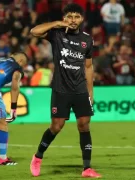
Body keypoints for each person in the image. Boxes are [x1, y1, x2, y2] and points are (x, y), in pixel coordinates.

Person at [29, 3, 101, 178]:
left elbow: (89, 67)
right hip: (61, 90)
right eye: (69, 16)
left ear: (82, 19)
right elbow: (34, 32)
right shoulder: (57, 34)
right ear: (64, 18)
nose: (73, 20)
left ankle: (87, 168)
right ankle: (37, 157)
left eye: (76, 16)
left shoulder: (87, 40)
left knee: (84, 125)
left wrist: (90, 91)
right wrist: (55, 24)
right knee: (56, 126)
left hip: (81, 90)